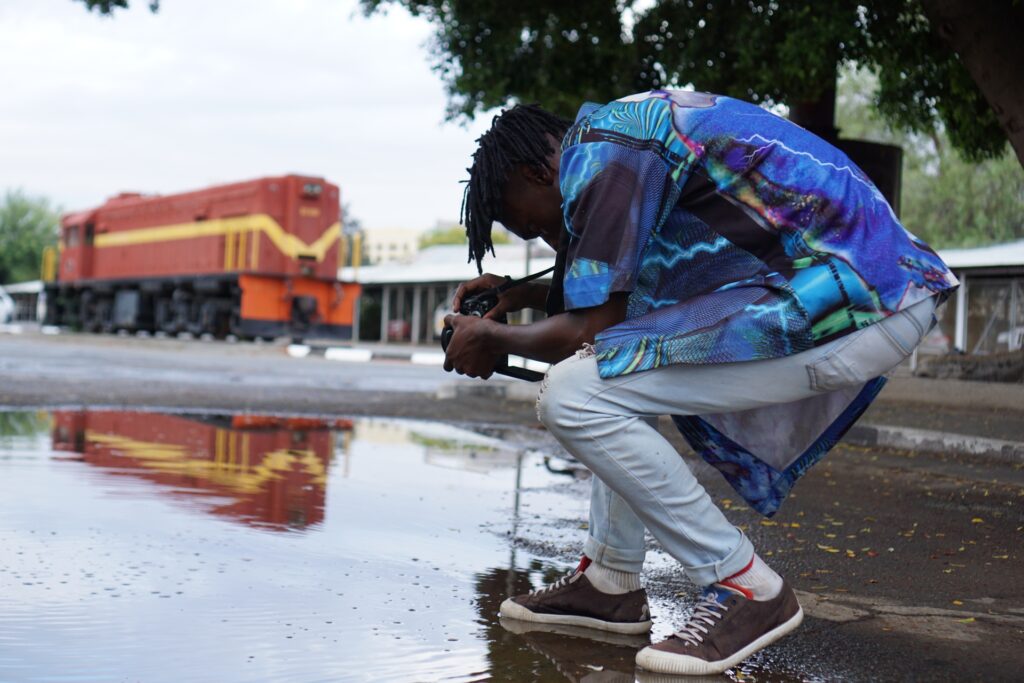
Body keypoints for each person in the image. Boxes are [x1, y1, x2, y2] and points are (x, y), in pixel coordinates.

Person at [442, 90, 957, 676]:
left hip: (865, 299)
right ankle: (610, 580)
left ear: (540, 170)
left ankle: (744, 585)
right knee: (613, 368)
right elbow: (617, 293)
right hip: (868, 288)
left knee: (576, 391)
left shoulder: (606, 157)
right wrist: (514, 295)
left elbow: (593, 324)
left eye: (532, 222)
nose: (543, 237)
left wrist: (494, 340)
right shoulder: (616, 139)